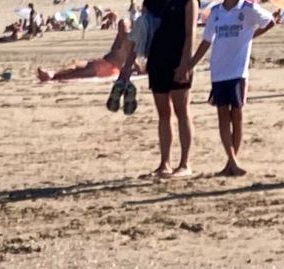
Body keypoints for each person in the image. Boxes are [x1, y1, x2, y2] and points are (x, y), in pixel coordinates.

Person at [183, 0, 275, 176]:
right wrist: (191, 64)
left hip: (238, 71)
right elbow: (207, 41)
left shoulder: (248, 8)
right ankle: (232, 160)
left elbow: (270, 22)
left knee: (237, 115)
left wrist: (250, 35)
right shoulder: (216, 12)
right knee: (223, 115)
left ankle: (232, 161)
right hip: (218, 71)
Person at [112, 0, 196, 177]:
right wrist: (128, 65)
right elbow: (140, 33)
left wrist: (185, 64)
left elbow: (191, 35)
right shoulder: (151, 2)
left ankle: (184, 164)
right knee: (163, 114)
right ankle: (164, 163)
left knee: (182, 112)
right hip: (157, 59)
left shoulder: (189, 2)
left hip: (177, 59)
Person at [36, 18, 135, 80]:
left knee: (74, 72)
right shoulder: (121, 38)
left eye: (122, 27)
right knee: (75, 65)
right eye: (120, 27)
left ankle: (52, 74)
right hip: (103, 64)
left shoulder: (129, 41)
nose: (120, 29)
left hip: (107, 68)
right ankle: (53, 74)